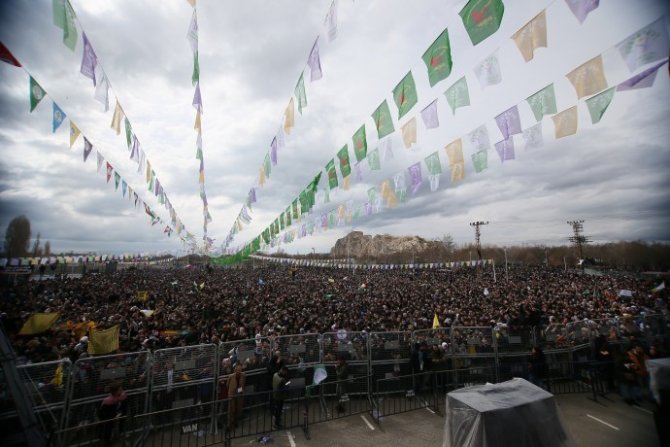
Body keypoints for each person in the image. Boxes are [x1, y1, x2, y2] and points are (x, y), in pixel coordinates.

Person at [227, 363, 245, 431]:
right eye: (237, 370)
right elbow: (227, 385)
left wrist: (241, 391)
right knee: (231, 409)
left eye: (240, 370)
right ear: (235, 370)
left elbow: (243, 384)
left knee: (238, 409)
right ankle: (230, 424)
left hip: (239, 393)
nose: (239, 371)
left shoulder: (243, 375)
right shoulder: (231, 376)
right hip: (232, 394)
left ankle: (236, 422)